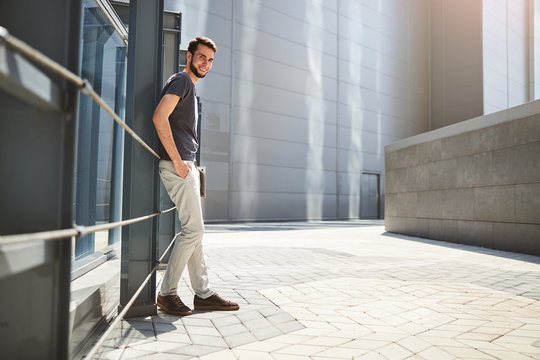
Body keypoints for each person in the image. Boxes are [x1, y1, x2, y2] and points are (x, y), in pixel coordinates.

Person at [152, 36, 239, 316]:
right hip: (178, 166)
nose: (206, 64)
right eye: (202, 57)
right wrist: (178, 162)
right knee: (194, 230)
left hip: (186, 165)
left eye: (210, 60)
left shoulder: (186, 85)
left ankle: (203, 294)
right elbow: (159, 117)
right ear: (188, 56)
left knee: (195, 234)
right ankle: (166, 294)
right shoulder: (183, 81)